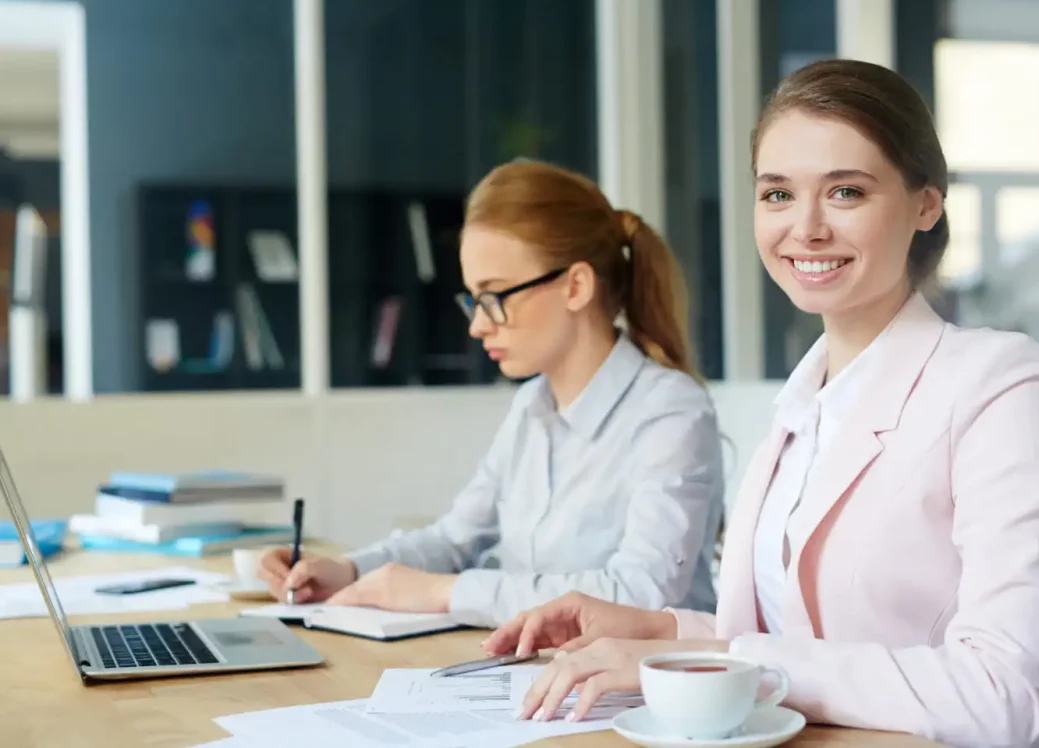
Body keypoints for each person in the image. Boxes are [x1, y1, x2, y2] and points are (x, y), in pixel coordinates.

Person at [482, 60, 1039, 748]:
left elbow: (1003, 695)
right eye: (776, 195)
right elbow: (790, 640)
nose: (805, 229)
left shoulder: (998, 381)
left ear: (926, 203)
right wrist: (657, 631)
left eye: (846, 192)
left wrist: (723, 657)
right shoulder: (805, 402)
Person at [258, 159, 724, 628]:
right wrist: (348, 569)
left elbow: (638, 594)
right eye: (472, 301)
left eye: (494, 297)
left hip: (640, 692)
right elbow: (455, 539)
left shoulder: (671, 412)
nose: (478, 326)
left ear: (576, 286)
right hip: (535, 677)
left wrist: (446, 593)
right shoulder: (531, 405)